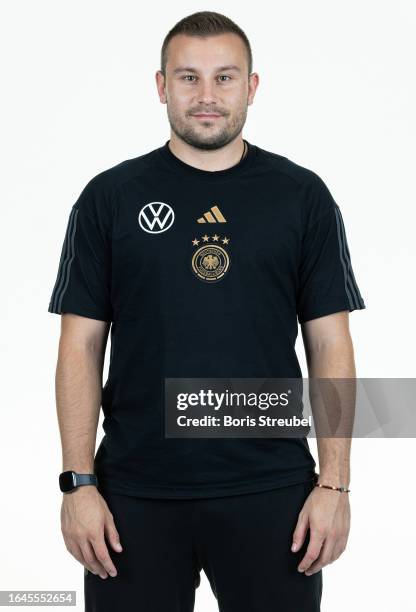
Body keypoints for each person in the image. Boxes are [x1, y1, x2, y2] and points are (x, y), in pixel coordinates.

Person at [48, 11, 365, 612]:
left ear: (252, 86)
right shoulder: (110, 199)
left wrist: (335, 482)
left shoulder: (301, 197)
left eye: (225, 77)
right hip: (132, 498)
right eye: (188, 78)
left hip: (272, 493)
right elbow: (79, 348)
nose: (207, 96)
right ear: (162, 85)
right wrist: (78, 483)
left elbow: (331, 346)